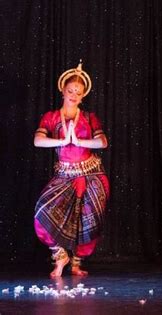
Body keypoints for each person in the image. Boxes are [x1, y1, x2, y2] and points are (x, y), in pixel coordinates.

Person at [34, 62, 110, 278]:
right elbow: (38, 141)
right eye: (70, 91)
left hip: (92, 175)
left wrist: (78, 141)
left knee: (90, 221)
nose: (74, 95)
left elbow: (102, 142)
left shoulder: (89, 117)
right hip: (64, 175)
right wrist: (61, 141)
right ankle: (60, 256)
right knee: (41, 214)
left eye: (78, 92)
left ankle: (77, 263)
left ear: (83, 95)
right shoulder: (51, 117)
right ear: (63, 90)